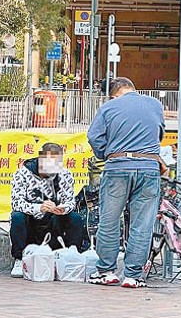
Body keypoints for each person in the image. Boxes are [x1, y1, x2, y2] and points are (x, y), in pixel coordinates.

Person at [87, 77, 165, 288]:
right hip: (149, 168)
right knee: (142, 224)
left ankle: (107, 271)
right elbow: (159, 134)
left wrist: (107, 154)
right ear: (132, 89)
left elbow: (94, 136)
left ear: (114, 94)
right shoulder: (155, 104)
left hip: (117, 168)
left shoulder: (109, 107)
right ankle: (133, 275)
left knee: (110, 221)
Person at [9, 142, 82, 278]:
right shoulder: (22, 173)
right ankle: (19, 259)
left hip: (55, 219)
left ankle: (73, 256)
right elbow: (16, 203)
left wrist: (62, 208)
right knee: (17, 216)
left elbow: (71, 202)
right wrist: (39, 207)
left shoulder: (65, 174)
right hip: (32, 219)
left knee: (75, 218)